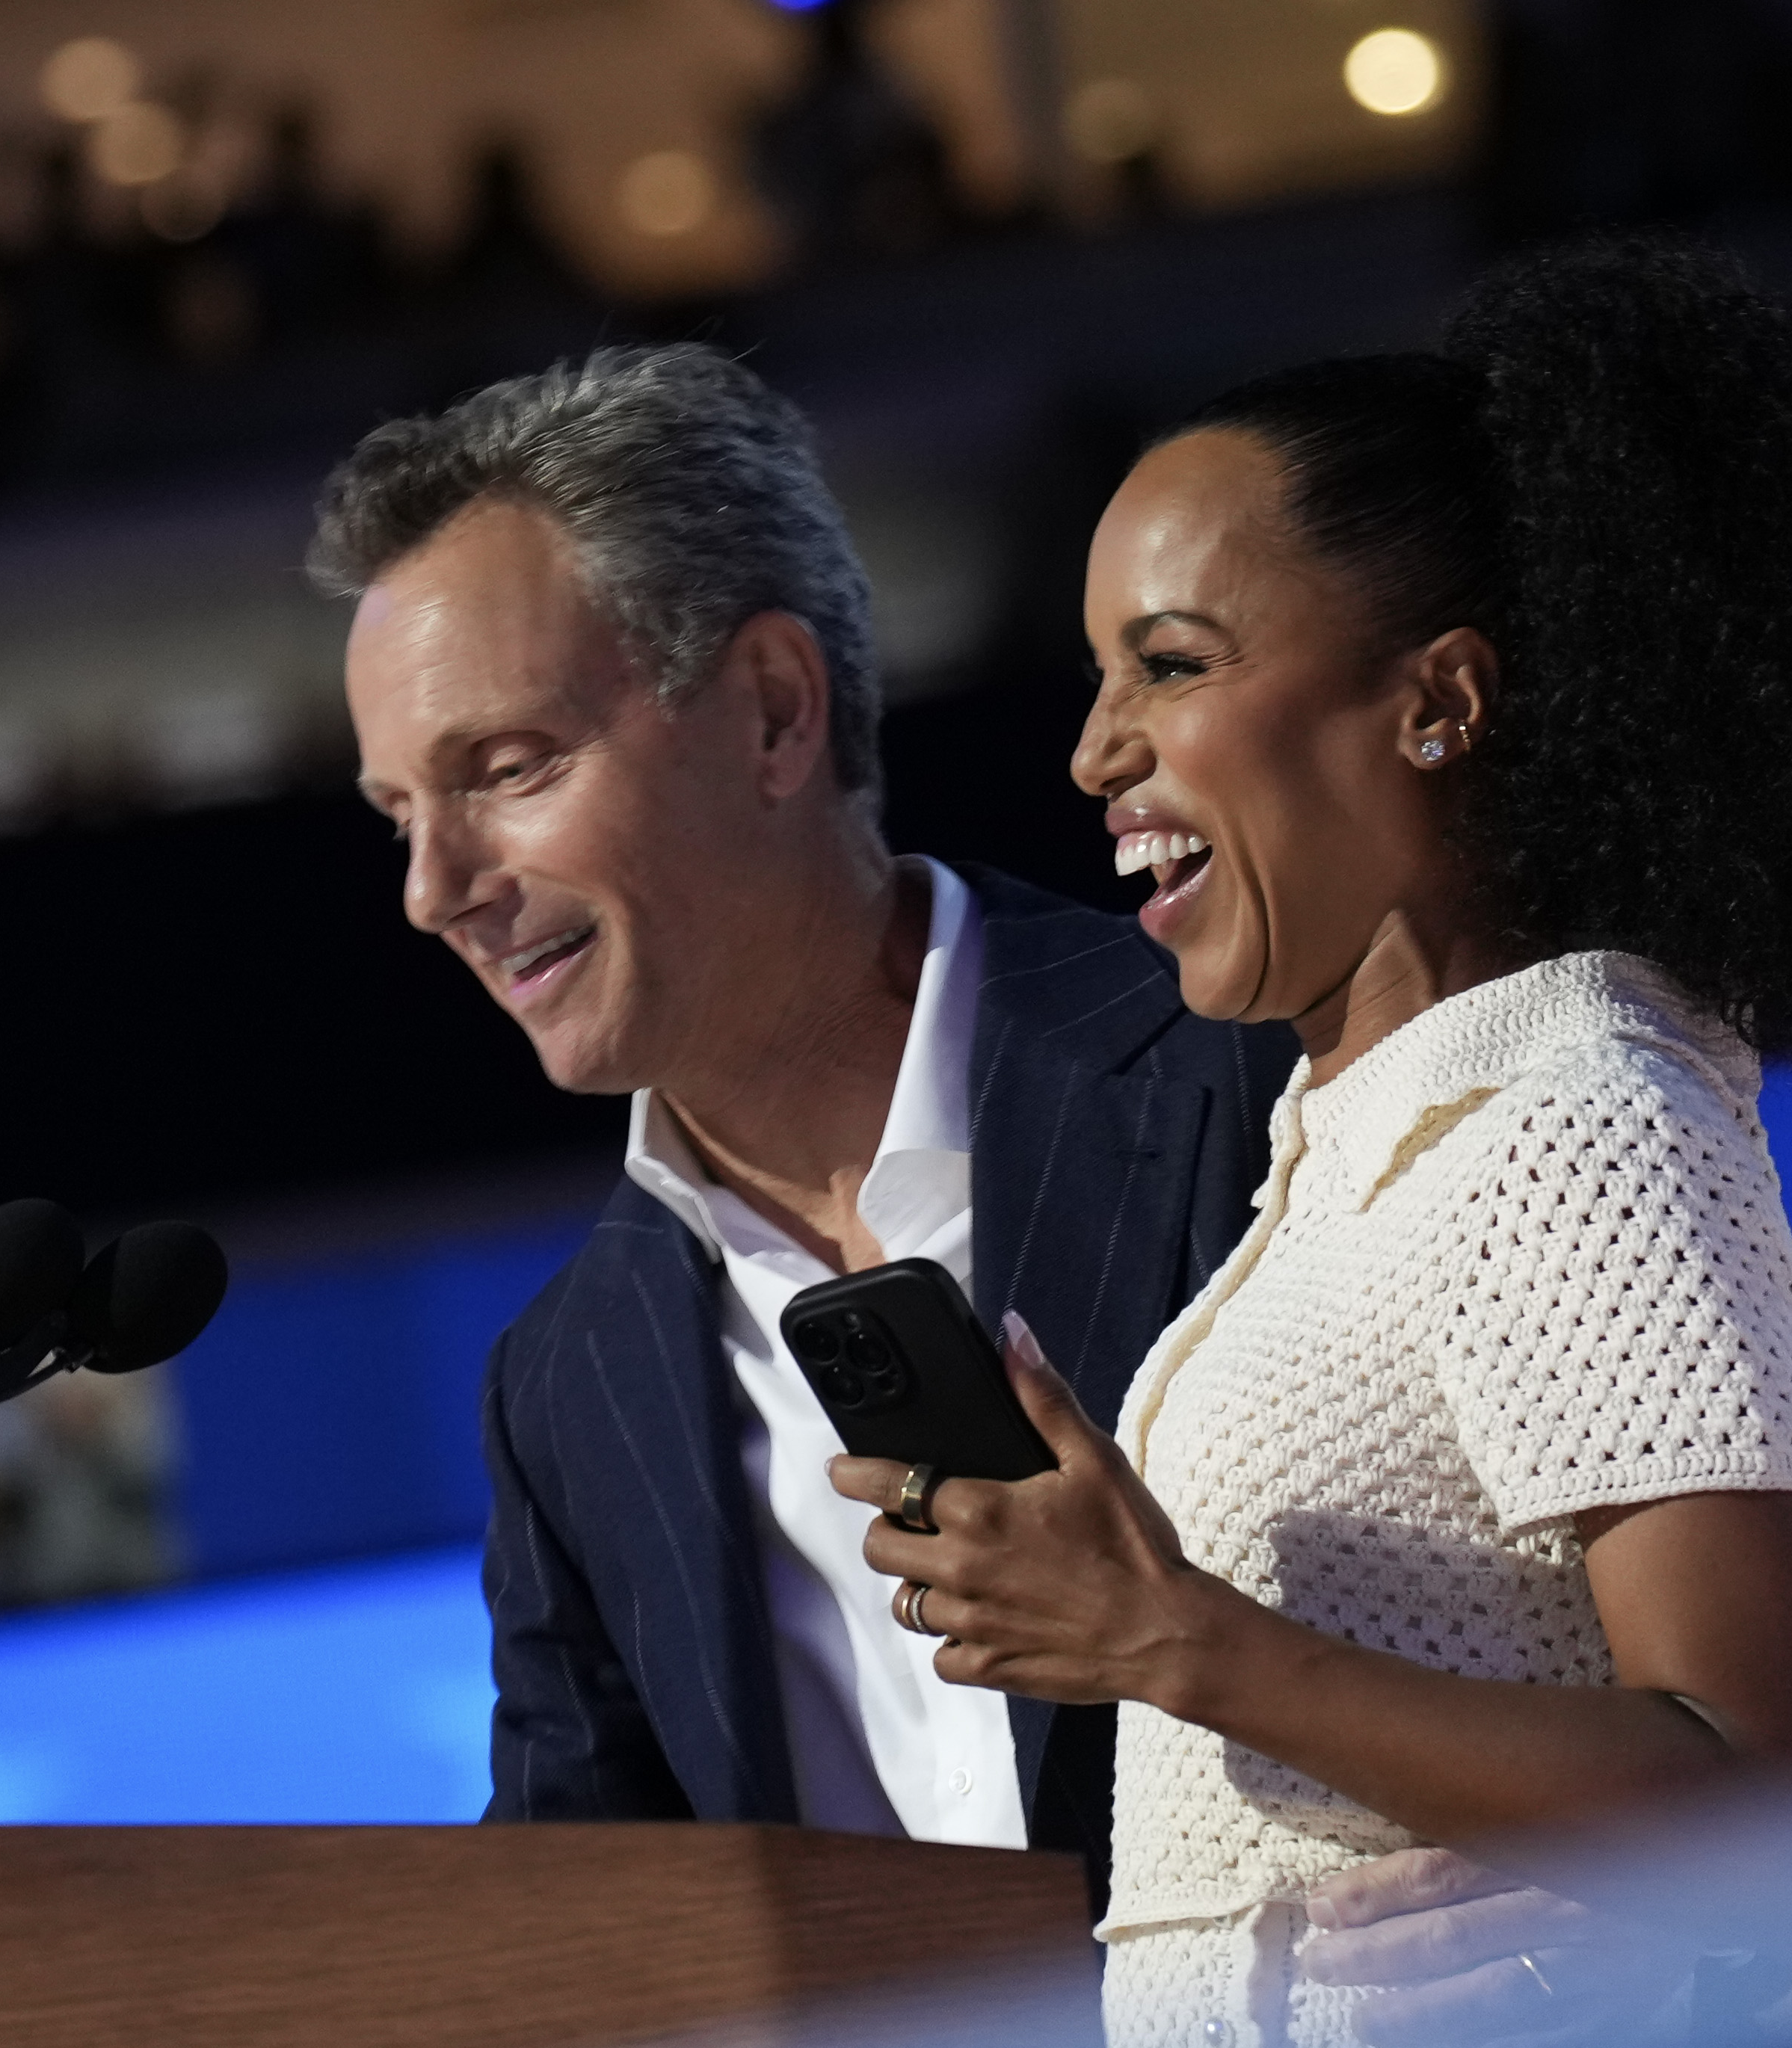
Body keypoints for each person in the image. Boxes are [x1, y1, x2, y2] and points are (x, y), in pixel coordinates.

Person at [831, 238, 1792, 2048]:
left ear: (1440, 702)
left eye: (1172, 666)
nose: (1093, 751)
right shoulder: (1364, 1135)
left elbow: (1786, 1805)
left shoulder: (1571, 1117)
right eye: (1098, 679)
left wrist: (1175, 1635)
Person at [314, 346, 1293, 1866]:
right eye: (398, 817)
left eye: (505, 770)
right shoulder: (573, 1382)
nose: (434, 891)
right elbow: (589, 1950)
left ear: (774, 711)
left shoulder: (1249, 1063)